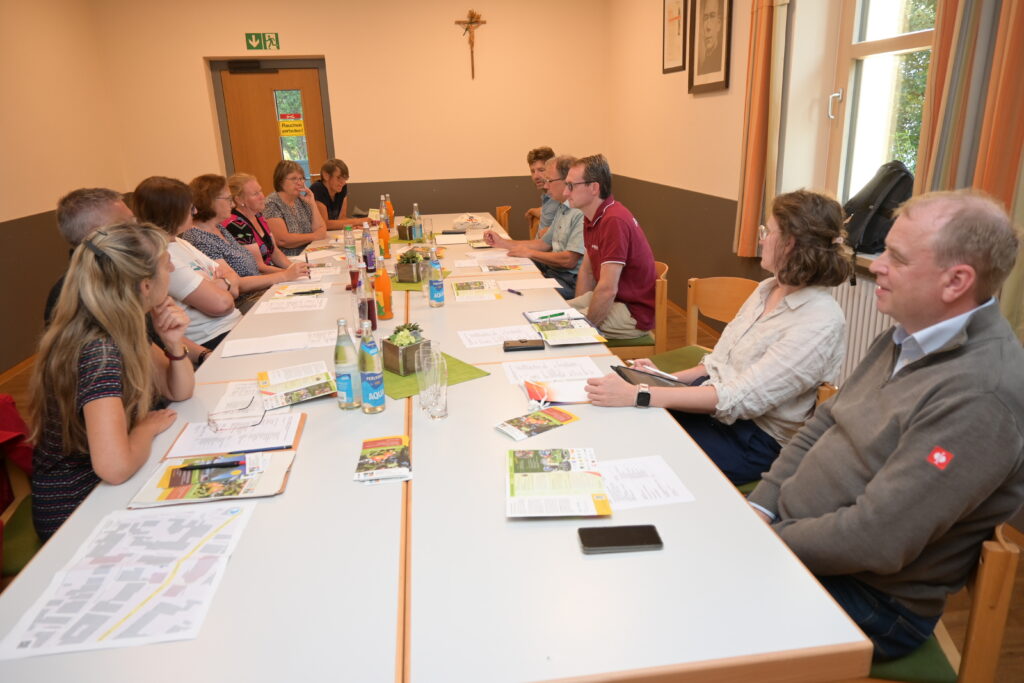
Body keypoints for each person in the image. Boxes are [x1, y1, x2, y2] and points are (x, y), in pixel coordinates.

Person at [747, 190, 1024, 660]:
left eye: (897, 257)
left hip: (871, 600)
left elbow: (875, 540)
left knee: (689, 611)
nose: (876, 266)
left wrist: (762, 542)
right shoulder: (909, 332)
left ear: (956, 281)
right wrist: (760, 507)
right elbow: (823, 423)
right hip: (802, 545)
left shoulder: (982, 394)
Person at [585, 190, 851, 485]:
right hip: (717, 407)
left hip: (752, 440)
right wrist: (662, 378)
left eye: (767, 232)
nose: (761, 240)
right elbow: (717, 364)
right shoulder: (767, 289)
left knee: (639, 448)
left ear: (790, 244)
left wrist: (640, 393)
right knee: (625, 423)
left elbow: (737, 399)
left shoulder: (819, 321)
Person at [28, 222, 195, 541]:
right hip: (79, 510)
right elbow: (114, 468)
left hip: (107, 488)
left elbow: (179, 391)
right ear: (145, 285)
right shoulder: (100, 350)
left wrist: (174, 344)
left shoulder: (121, 325)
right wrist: (145, 429)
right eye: (166, 263)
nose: (172, 268)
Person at [131, 176, 242, 350]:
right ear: (172, 212)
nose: (195, 212)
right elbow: (223, 304)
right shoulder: (160, 255)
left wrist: (219, 284)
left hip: (234, 324)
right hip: (213, 337)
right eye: (190, 208)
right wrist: (225, 283)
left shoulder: (179, 241)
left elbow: (233, 277)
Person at [564, 154, 656, 339]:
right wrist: (582, 305)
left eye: (571, 186)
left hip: (632, 312)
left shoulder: (614, 220)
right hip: (615, 300)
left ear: (594, 188)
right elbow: (587, 272)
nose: (566, 192)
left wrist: (585, 331)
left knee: (562, 326)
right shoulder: (592, 217)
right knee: (552, 312)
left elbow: (607, 289)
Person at [183, 174, 307, 305]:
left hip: (259, 291)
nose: (232, 204)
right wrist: (285, 275)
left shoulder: (219, 228)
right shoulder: (199, 238)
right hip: (244, 301)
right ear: (210, 201)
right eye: (228, 199)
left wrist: (289, 273)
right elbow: (235, 284)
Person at [482, 155, 585, 299]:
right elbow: (543, 244)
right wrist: (502, 242)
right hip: (553, 272)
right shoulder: (563, 207)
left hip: (568, 281)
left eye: (549, 181)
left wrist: (530, 253)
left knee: (521, 295)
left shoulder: (580, 212)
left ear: (566, 180)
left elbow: (569, 260)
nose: (546, 186)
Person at [44, 188, 134, 323]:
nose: (137, 231)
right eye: (124, 226)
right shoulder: (72, 296)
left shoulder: (130, 269)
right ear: (94, 236)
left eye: (134, 221)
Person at [224, 173, 299, 272]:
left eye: (260, 191)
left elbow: (274, 252)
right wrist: (289, 273)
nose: (262, 196)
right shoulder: (237, 225)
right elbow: (258, 267)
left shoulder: (258, 215)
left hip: (272, 272)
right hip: (257, 277)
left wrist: (293, 267)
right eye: (255, 194)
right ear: (239, 200)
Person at [263, 160, 327, 256]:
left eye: (301, 178)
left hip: (310, 253)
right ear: (280, 181)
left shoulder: (301, 200)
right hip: (288, 259)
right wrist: (314, 236)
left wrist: (313, 203)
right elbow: (282, 240)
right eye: (294, 179)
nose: (299, 183)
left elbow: (321, 229)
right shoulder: (272, 203)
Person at [309, 158, 362, 229]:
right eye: (338, 178)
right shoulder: (317, 188)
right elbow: (324, 224)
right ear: (326, 176)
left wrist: (356, 226)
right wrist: (358, 221)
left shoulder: (342, 187)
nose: (343, 182)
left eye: (345, 178)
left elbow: (342, 218)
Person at [523, 146, 557, 236]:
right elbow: (551, 212)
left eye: (541, 170)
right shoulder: (548, 197)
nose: (535, 176)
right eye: (532, 171)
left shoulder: (558, 198)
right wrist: (534, 211)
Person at [697, 0, 724, 76]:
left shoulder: (720, 59)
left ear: (719, 24)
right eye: (705, 18)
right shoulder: (704, 64)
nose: (707, 27)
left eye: (712, 16)